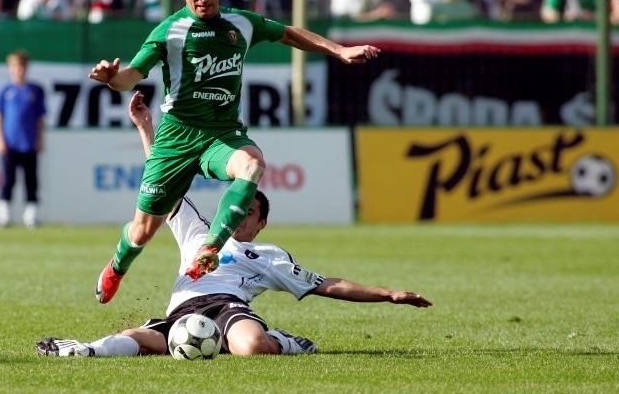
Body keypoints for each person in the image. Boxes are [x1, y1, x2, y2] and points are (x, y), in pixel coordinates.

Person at [36, 92, 431, 357]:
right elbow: (162, 179)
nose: (239, 216)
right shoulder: (197, 230)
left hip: (228, 307)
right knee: (136, 339)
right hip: (182, 310)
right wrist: (144, 127)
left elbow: (326, 284)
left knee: (252, 348)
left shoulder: (268, 256)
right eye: (237, 209)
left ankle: (285, 342)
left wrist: (388, 293)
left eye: (248, 213)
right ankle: (83, 349)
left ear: (261, 224)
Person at [89, 0, 380, 304]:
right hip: (177, 137)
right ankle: (118, 266)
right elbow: (131, 76)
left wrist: (339, 51)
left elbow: (287, 33)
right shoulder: (170, 31)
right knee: (142, 231)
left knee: (252, 164)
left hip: (221, 135)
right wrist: (112, 79)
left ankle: (210, 248)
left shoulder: (240, 23)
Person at [0, 50, 47, 229]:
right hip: (10, 144)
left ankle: (31, 216)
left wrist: (39, 139)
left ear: (26, 68)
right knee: (8, 180)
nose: (18, 70)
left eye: (21, 66)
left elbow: (40, 118)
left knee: (32, 181)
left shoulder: (36, 90)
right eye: (14, 66)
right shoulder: (4, 91)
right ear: (10, 68)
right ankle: (4, 216)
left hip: (29, 143)